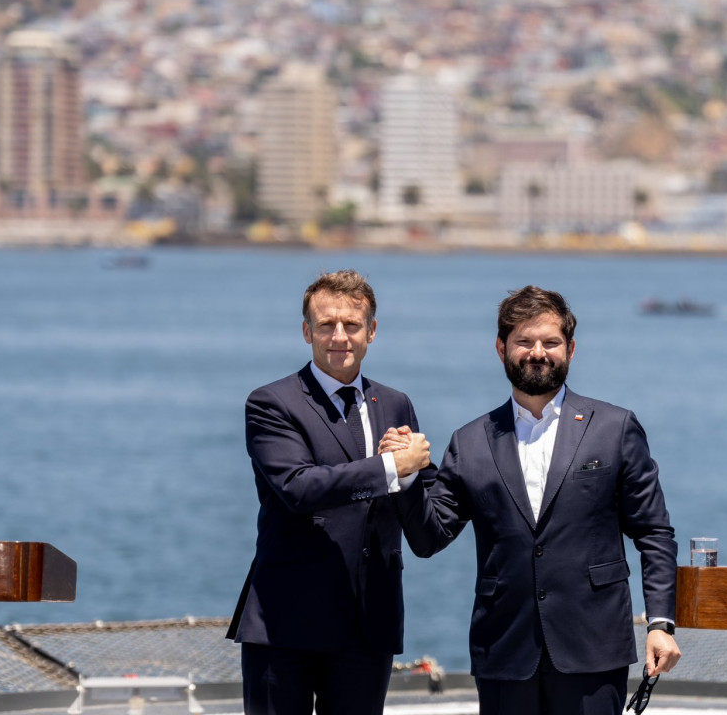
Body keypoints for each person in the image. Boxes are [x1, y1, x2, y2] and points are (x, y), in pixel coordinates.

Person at [394, 285, 681, 714]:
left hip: (593, 646)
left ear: (571, 348)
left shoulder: (615, 428)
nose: (537, 352)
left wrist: (660, 623)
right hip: (504, 649)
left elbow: (654, 532)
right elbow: (428, 538)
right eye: (524, 341)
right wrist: (407, 476)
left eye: (550, 342)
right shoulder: (469, 441)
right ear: (501, 348)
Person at [227, 269, 432, 715]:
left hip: (368, 624)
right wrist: (389, 467)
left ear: (371, 332)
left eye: (352, 325)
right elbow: (298, 488)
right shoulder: (271, 402)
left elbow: (420, 502)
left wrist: (413, 474)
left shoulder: (396, 404)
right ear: (307, 331)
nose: (339, 336)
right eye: (326, 324)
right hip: (285, 624)